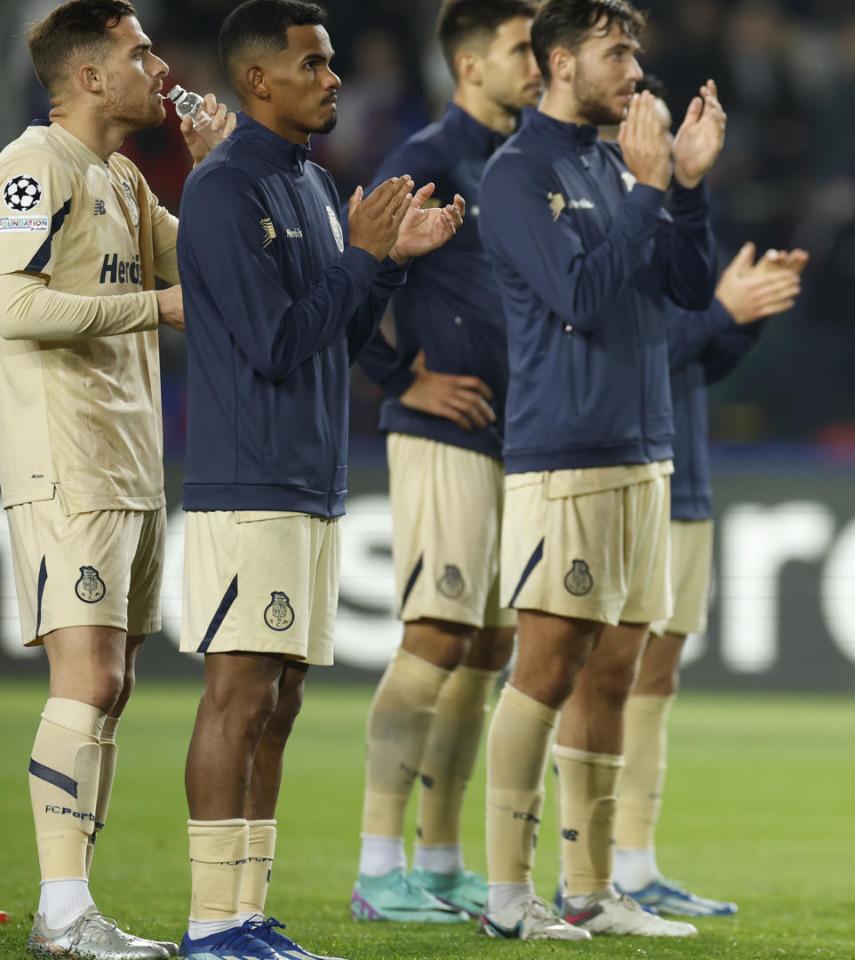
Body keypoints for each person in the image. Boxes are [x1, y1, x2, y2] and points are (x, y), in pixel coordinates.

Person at [175, 2, 464, 958]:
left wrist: (382, 271)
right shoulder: (225, 192)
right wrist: (362, 258)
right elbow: (270, 345)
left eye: (332, 62)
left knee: (281, 694)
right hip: (247, 476)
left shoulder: (308, 183)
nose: (334, 78)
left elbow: (331, 338)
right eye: (315, 63)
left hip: (308, 478)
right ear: (261, 80)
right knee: (239, 692)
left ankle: (249, 914)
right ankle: (213, 919)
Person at [475, 0, 723, 940]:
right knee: (543, 668)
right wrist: (650, 190)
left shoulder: (617, 165)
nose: (634, 67)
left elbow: (689, 288)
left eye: (636, 51)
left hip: (643, 450)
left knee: (614, 672)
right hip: (565, 456)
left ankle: (590, 889)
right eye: (615, 50)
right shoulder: (520, 173)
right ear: (559, 62)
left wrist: (686, 187)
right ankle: (508, 896)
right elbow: (577, 296)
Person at [3, 2, 228, 956]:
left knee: (115, 682)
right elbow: (11, 301)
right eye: (140, 52)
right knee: (87, 675)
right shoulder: (33, 164)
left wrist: (221, 172)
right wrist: (149, 307)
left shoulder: (127, 179)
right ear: (91, 75)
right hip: (67, 459)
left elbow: (212, 272)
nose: (160, 63)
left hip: (131, 463)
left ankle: (75, 907)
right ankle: (61, 913)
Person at [347, 0, 540, 924]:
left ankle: (444, 856)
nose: (538, 59)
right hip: (443, 434)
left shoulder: (533, 158)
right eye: (520, 46)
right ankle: (377, 866)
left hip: (516, 436)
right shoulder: (426, 157)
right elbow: (350, 274)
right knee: (434, 639)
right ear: (470, 64)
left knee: (488, 651)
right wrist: (398, 379)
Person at [613, 236, 806, 917]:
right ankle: (585, 866)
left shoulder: (670, 238)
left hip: (686, 480)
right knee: (608, 679)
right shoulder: (610, 235)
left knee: (656, 680)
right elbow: (629, 357)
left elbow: (695, 358)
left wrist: (745, 314)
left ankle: (633, 866)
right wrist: (720, 309)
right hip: (630, 474)